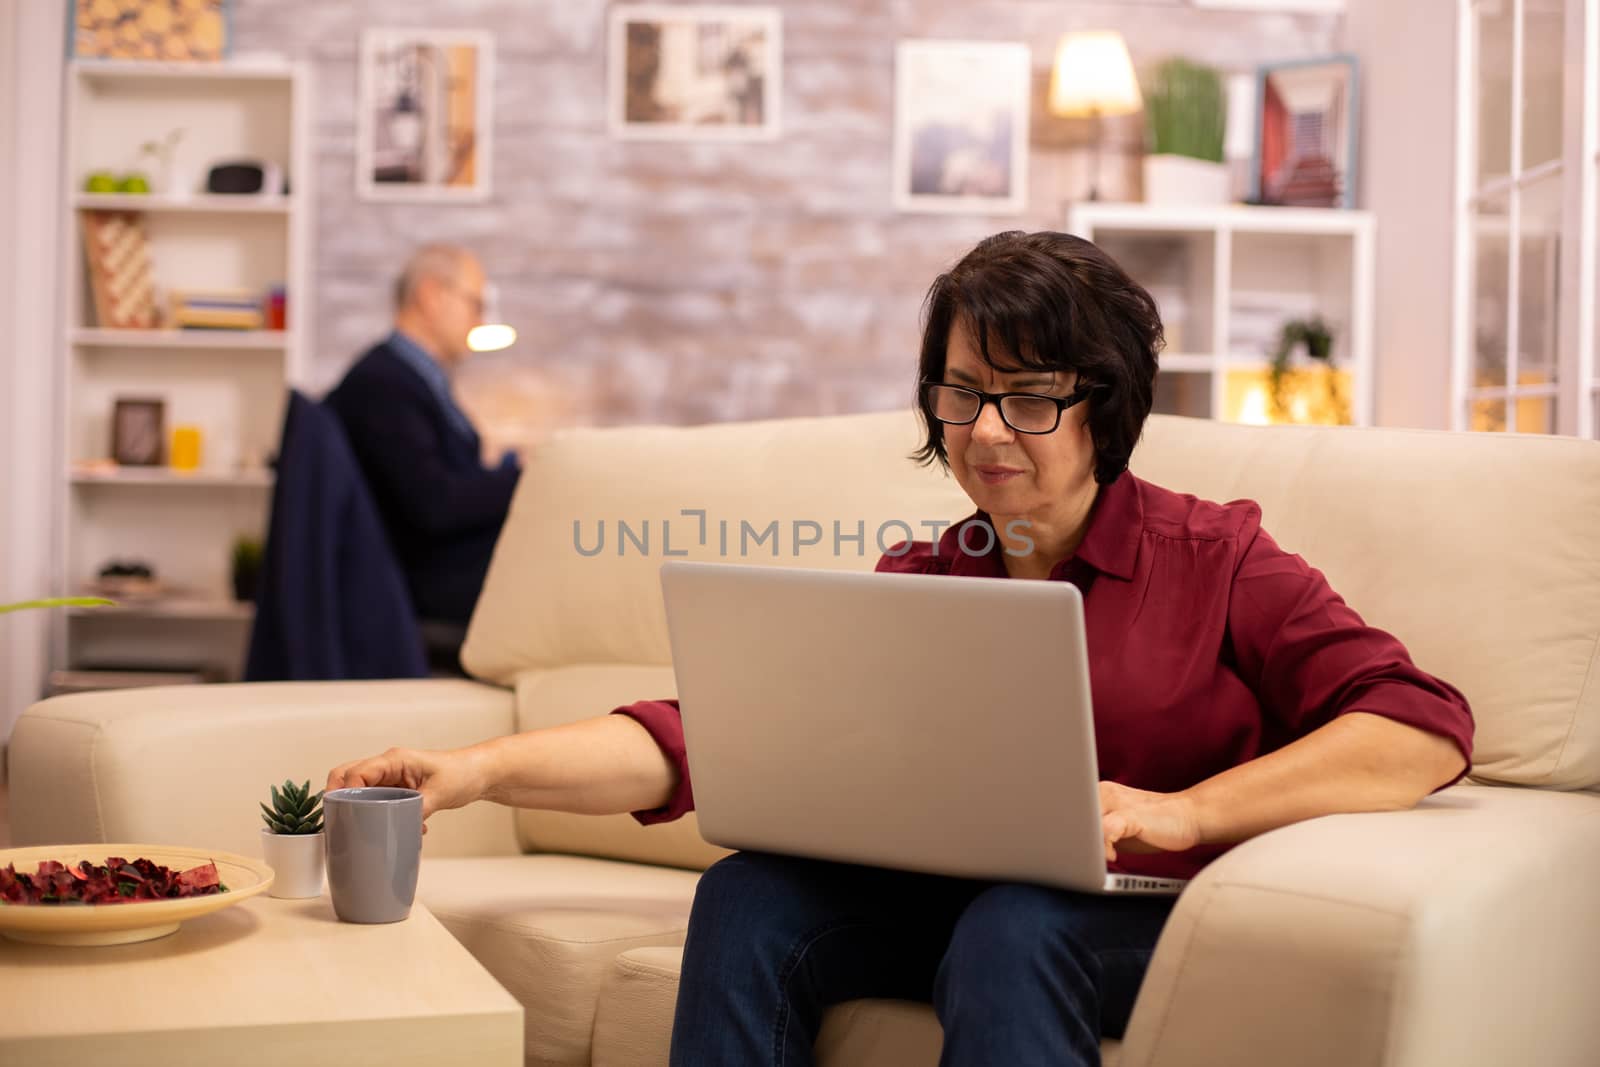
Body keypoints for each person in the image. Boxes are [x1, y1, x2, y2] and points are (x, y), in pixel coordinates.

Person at [327, 231, 1473, 1066]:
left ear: (1105, 406)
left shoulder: (1215, 554)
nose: (982, 431)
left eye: (1026, 397)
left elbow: (1420, 726)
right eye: (960, 392)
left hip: (1142, 909)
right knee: (751, 895)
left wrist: (1184, 809)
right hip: (954, 901)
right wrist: (476, 769)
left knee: (1013, 926)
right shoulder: (931, 577)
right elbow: (705, 741)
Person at [324, 243, 520, 628]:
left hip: (439, 571)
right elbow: (434, 503)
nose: (478, 321)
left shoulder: (411, 378)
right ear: (431, 296)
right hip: (420, 584)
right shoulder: (382, 384)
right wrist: (522, 479)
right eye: (474, 304)